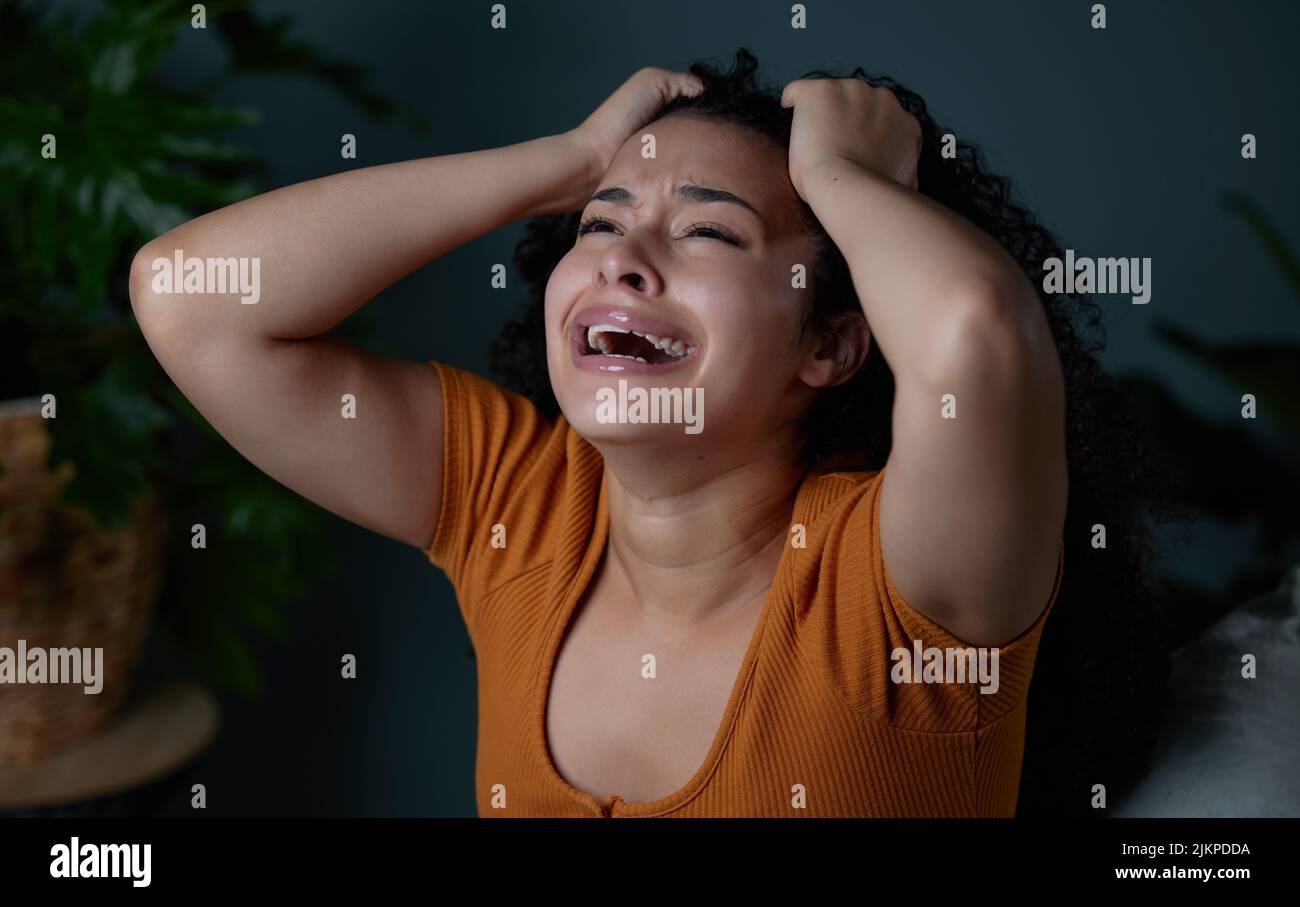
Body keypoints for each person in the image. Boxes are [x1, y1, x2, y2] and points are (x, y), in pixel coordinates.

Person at [130, 49, 1174, 817]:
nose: (622, 261)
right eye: (599, 223)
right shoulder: (519, 506)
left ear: (832, 345)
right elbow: (190, 299)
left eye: (710, 231)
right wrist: (567, 161)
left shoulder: (905, 594)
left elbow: (975, 334)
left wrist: (845, 177)